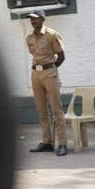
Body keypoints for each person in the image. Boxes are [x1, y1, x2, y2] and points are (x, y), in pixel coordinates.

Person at [26, 9, 68, 156]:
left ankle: (62, 143)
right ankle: (47, 142)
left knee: (56, 109)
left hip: (50, 73)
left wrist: (52, 70)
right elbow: (34, 55)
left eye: (36, 18)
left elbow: (61, 56)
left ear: (43, 19)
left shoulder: (52, 34)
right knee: (41, 110)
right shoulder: (29, 38)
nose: (33, 21)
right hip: (35, 74)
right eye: (31, 19)